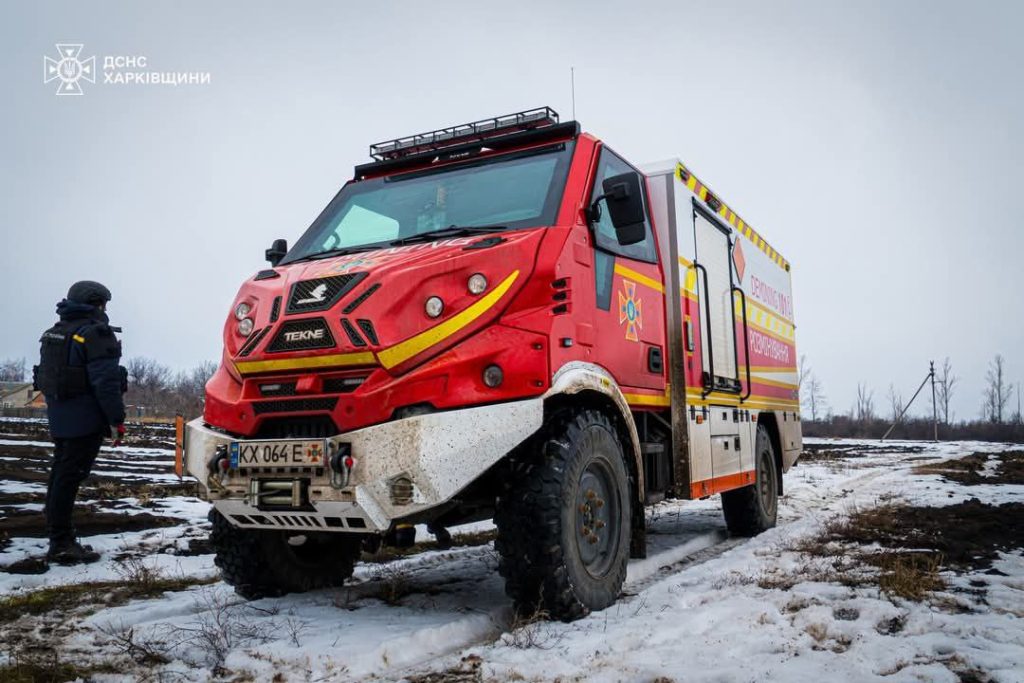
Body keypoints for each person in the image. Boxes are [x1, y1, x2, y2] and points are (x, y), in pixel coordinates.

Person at [34, 280, 127, 565]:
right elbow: (106, 383)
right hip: (85, 418)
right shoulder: (95, 333)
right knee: (68, 477)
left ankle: (58, 536)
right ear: (96, 303)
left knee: (61, 474)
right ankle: (61, 543)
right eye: (104, 304)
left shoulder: (54, 332)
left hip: (60, 416)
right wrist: (116, 420)